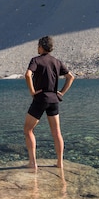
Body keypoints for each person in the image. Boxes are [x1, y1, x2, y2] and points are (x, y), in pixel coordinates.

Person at [23, 36, 75, 170]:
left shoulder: (36, 60)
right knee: (57, 132)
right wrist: (61, 92)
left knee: (28, 130)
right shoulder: (56, 62)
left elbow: (28, 75)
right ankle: (60, 163)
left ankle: (33, 163)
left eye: (38, 46)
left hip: (40, 99)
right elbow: (70, 77)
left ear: (41, 46)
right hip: (54, 99)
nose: (37, 48)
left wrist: (32, 92)